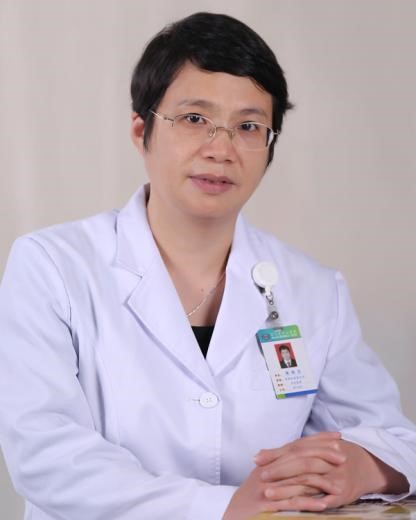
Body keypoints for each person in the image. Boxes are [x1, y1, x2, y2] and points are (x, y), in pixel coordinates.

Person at [0, 11, 415, 520]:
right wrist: (221, 507)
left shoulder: (312, 289)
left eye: (248, 127)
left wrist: (367, 466)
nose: (221, 149)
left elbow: (394, 438)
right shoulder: (53, 266)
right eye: (195, 119)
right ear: (141, 129)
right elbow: (45, 455)